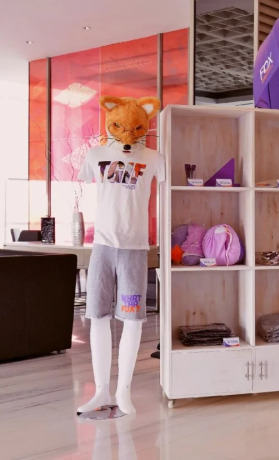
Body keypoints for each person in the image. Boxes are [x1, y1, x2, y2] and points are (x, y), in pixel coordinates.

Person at [76, 96, 164, 415]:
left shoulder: (154, 158)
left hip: (135, 250)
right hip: (102, 247)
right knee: (97, 315)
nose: (128, 136)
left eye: (137, 128)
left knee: (132, 318)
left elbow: (165, 198)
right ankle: (101, 390)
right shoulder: (96, 154)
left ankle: (123, 391)